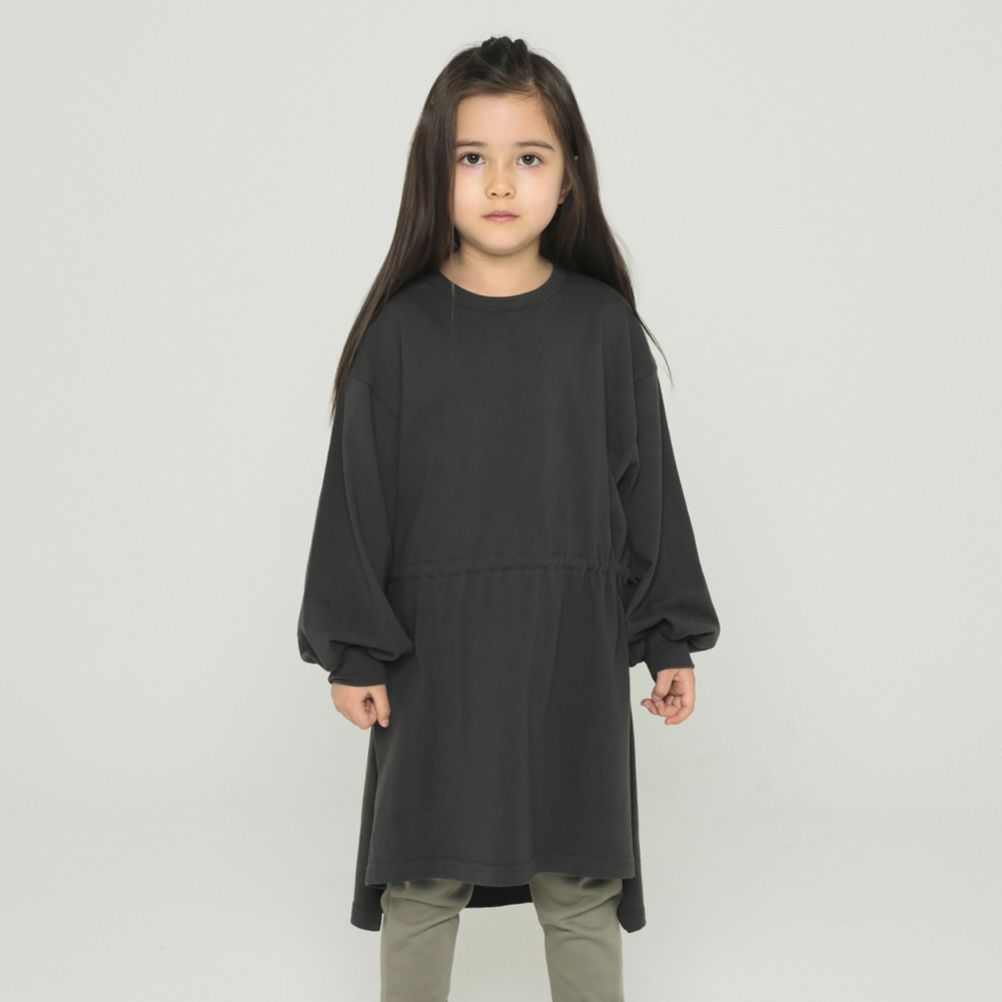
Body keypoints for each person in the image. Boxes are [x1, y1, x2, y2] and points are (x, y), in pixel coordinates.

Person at [296, 35, 721, 1002]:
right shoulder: (398, 336)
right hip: (434, 658)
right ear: (433, 172)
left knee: (580, 885)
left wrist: (667, 639)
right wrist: (353, 651)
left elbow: (649, 494)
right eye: (470, 157)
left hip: (572, 653)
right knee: (421, 880)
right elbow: (355, 500)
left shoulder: (603, 329)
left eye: (528, 157)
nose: (499, 183)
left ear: (568, 177)